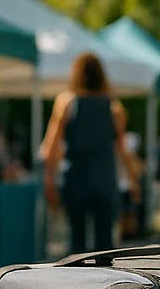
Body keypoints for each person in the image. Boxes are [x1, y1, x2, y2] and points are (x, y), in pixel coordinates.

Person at [41, 53, 135, 254]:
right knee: (105, 244)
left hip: (76, 179)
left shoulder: (67, 102)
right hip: (104, 179)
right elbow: (123, 149)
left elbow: (51, 147)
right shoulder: (113, 107)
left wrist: (49, 180)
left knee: (77, 240)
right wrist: (134, 180)